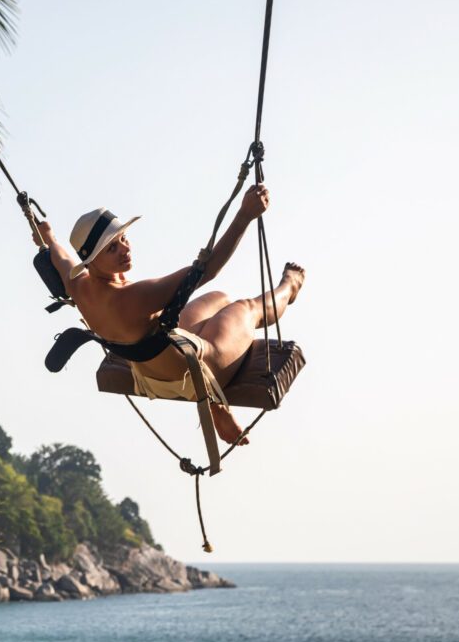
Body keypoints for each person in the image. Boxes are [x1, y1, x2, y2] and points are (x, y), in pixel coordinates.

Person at [33, 184, 304, 446]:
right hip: (197, 376)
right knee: (246, 308)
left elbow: (59, 257)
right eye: (112, 248)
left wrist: (48, 238)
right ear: (91, 261)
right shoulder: (133, 297)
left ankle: (214, 402)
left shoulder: (78, 286)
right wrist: (245, 215)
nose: (125, 249)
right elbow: (205, 271)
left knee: (219, 299)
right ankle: (289, 288)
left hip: (149, 375)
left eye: (123, 239)